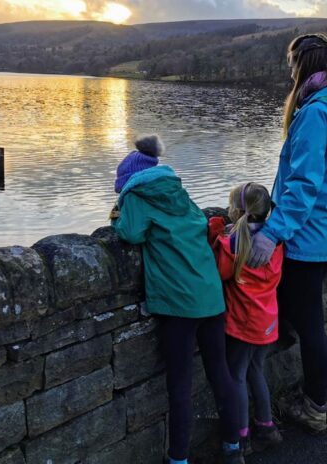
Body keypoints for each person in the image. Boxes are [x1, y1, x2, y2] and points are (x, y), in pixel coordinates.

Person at [247, 33, 327, 433]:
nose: (289, 73)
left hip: (307, 236)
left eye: (291, 65)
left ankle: (315, 406)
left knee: (308, 325)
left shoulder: (317, 114)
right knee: (310, 321)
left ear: (301, 66)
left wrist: (272, 233)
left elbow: (303, 183)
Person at [112, 135, 245, 464]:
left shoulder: (137, 196)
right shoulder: (177, 191)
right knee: (220, 372)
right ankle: (233, 446)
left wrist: (118, 215)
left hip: (179, 304)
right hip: (211, 296)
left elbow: (130, 233)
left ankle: (179, 459)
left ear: (128, 182)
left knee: (180, 385)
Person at [208, 183, 284, 455]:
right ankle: (266, 426)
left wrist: (216, 235)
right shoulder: (273, 242)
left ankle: (240, 437)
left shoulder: (232, 244)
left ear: (238, 211)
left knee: (236, 376)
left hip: (242, 324)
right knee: (256, 370)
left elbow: (221, 273)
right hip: (267, 321)